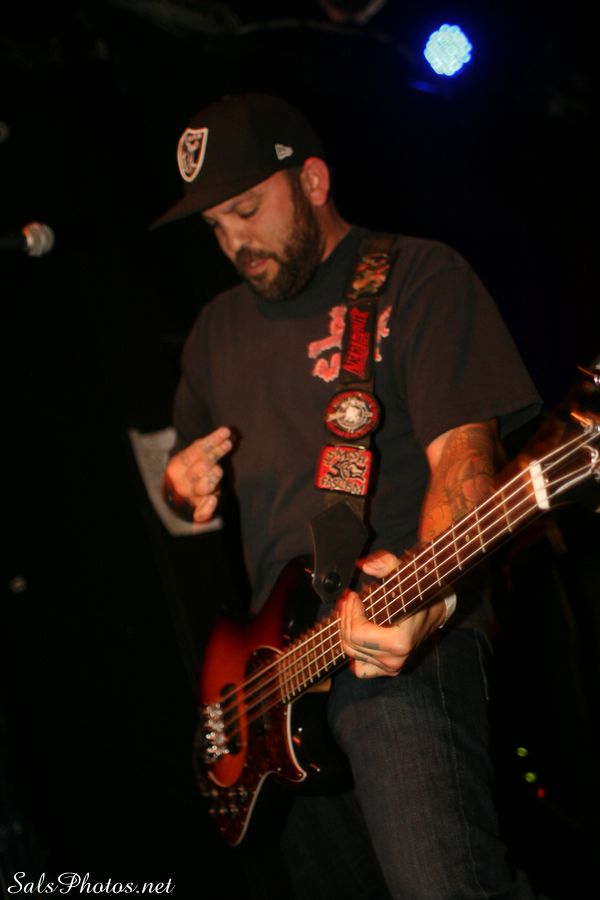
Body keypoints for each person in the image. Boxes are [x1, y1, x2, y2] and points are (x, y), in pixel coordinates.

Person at [154, 92, 544, 899]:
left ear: (314, 181)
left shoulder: (418, 275)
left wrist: (428, 600)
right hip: (273, 694)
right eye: (215, 227)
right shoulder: (213, 334)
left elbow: (465, 460)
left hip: (399, 636)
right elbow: (179, 479)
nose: (234, 243)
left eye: (247, 210)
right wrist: (179, 484)